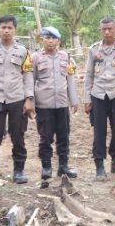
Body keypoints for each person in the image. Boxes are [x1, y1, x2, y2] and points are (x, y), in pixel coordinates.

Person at [0, 15, 34, 188]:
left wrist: (28, 99)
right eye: (3, 27)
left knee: (18, 136)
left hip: (17, 99)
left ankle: (18, 171)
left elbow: (28, 75)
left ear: (15, 30)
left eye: (10, 27)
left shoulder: (23, 51)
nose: (6, 30)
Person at [84, 16, 115, 181]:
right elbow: (89, 75)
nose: (107, 32)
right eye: (104, 29)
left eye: (110, 29)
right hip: (98, 94)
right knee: (99, 130)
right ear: (100, 30)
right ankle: (99, 165)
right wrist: (87, 98)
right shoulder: (93, 50)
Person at [32, 27, 80, 181]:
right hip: (43, 104)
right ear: (42, 40)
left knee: (63, 136)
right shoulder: (35, 58)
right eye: (47, 38)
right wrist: (30, 102)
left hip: (61, 104)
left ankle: (63, 166)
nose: (51, 41)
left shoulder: (66, 57)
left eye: (54, 38)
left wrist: (73, 101)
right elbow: (30, 81)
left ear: (59, 41)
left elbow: (70, 80)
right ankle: (46, 167)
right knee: (45, 137)